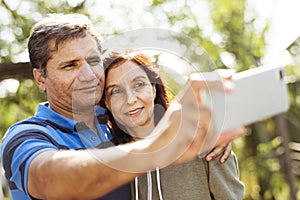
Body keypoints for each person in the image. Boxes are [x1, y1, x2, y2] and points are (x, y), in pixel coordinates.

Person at [0, 13, 244, 200]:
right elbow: (48, 179)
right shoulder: (26, 136)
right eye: (70, 66)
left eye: (93, 61)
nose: (88, 75)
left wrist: (204, 132)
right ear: (40, 78)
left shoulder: (115, 124)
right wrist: (155, 148)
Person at [101, 51, 244, 200]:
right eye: (116, 91)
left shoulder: (203, 143)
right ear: (107, 103)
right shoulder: (113, 158)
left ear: (153, 88)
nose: (130, 99)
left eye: (138, 84)